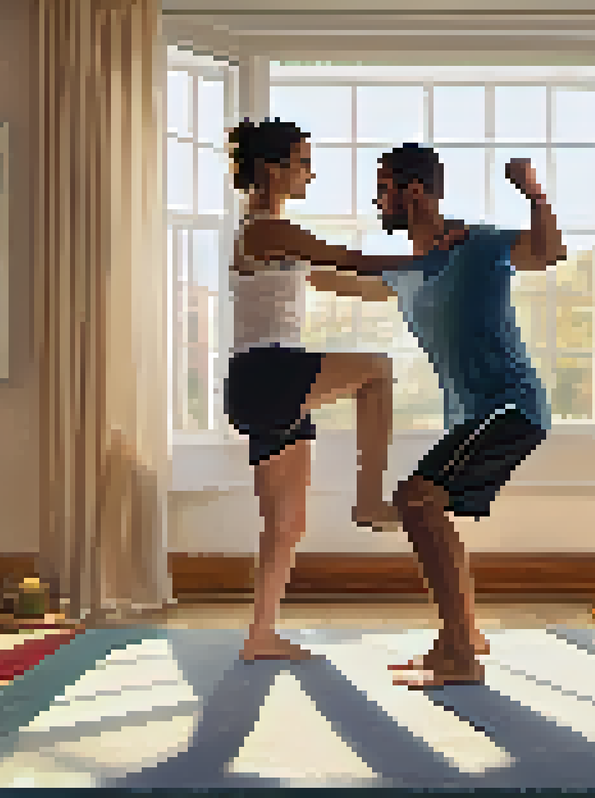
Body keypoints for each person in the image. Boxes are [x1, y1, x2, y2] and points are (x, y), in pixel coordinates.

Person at [311, 145, 566, 687]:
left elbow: (547, 252)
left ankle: (459, 655)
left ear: (415, 191)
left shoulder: (479, 243)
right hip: (477, 416)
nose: (377, 200)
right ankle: (464, 637)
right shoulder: (406, 270)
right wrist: (281, 254)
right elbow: (339, 279)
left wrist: (534, 194)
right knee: (426, 505)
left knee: (415, 499)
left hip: (510, 405)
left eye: (383, 188)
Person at [224, 119, 419, 661]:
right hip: (267, 372)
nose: (311, 172)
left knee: (286, 525)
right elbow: (353, 260)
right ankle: (370, 500)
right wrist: (427, 258)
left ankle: (260, 635)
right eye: (303, 162)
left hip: (265, 387)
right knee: (377, 371)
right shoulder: (265, 229)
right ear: (272, 169)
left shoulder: (281, 243)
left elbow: (358, 285)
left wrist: (420, 285)